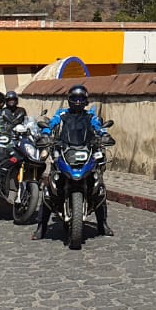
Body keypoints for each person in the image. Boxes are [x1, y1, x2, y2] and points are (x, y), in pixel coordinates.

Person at [32, 84, 112, 239]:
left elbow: (98, 127)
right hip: (65, 150)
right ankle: (41, 228)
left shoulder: (90, 115)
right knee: (48, 191)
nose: (77, 101)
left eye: (81, 98)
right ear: (69, 100)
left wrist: (103, 135)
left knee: (99, 187)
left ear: (85, 100)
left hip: (86, 151)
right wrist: (46, 134)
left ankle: (103, 225)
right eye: (74, 98)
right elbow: (51, 124)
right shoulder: (61, 114)